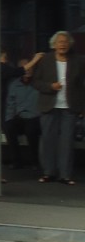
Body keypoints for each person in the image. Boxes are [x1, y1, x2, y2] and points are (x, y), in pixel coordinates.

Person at [30, 30, 83, 185]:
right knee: (48, 140)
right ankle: (48, 173)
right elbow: (36, 82)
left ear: (70, 45)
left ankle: (65, 175)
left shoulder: (78, 60)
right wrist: (50, 86)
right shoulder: (45, 60)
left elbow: (82, 85)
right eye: (60, 42)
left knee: (67, 142)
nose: (63, 45)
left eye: (65, 42)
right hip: (49, 105)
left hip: (70, 107)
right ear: (53, 45)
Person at [2, 53, 41, 170]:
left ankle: (35, 162)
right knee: (9, 127)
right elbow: (10, 105)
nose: (27, 70)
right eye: (24, 67)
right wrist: (9, 119)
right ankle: (16, 161)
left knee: (31, 129)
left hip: (35, 117)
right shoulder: (14, 85)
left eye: (29, 67)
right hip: (19, 117)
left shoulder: (38, 84)